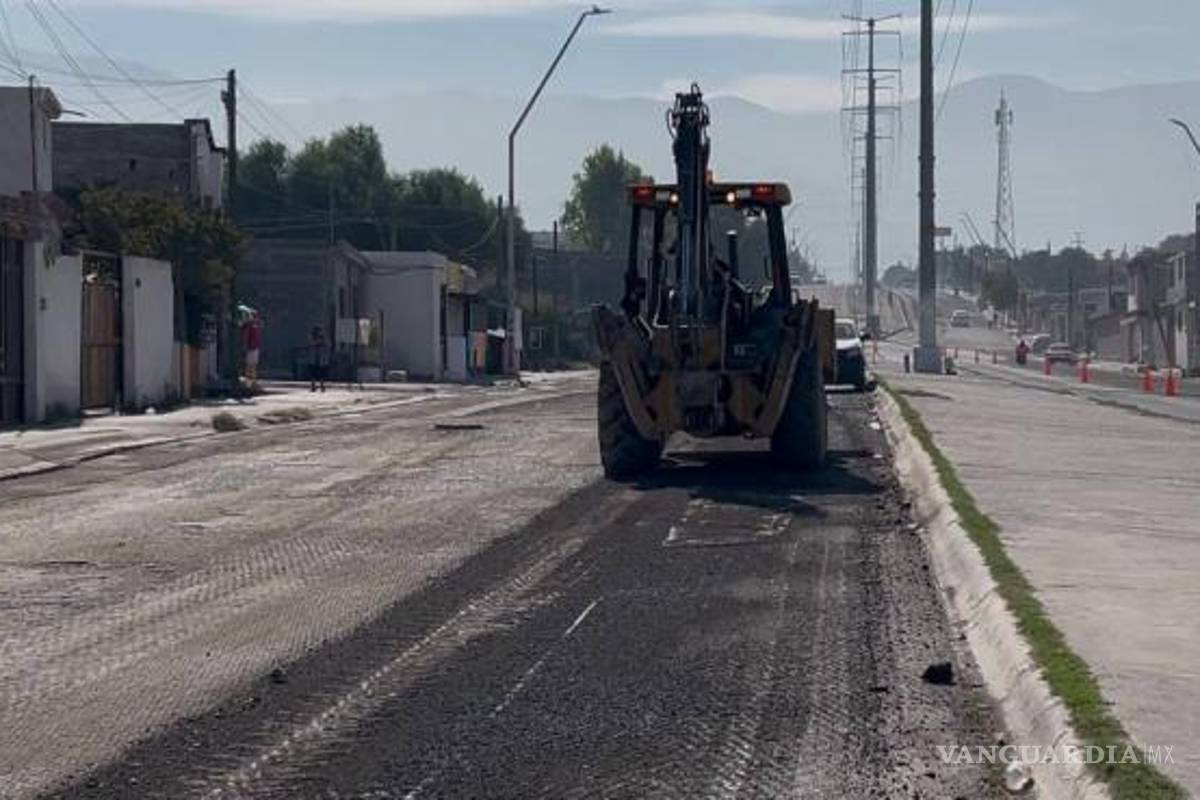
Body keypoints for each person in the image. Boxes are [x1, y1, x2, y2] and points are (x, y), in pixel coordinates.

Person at [241, 312, 262, 387]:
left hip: (255, 347)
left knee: (254, 364)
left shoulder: (256, 324)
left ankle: (253, 381)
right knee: (249, 364)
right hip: (250, 347)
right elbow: (243, 331)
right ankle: (248, 381)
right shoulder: (248, 325)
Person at [310, 325, 329, 392]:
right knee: (314, 373)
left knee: (321, 373)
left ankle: (321, 385)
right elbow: (312, 344)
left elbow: (326, 345)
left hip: (321, 359)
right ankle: (313, 385)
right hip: (315, 359)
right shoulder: (313, 338)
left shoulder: (323, 339)